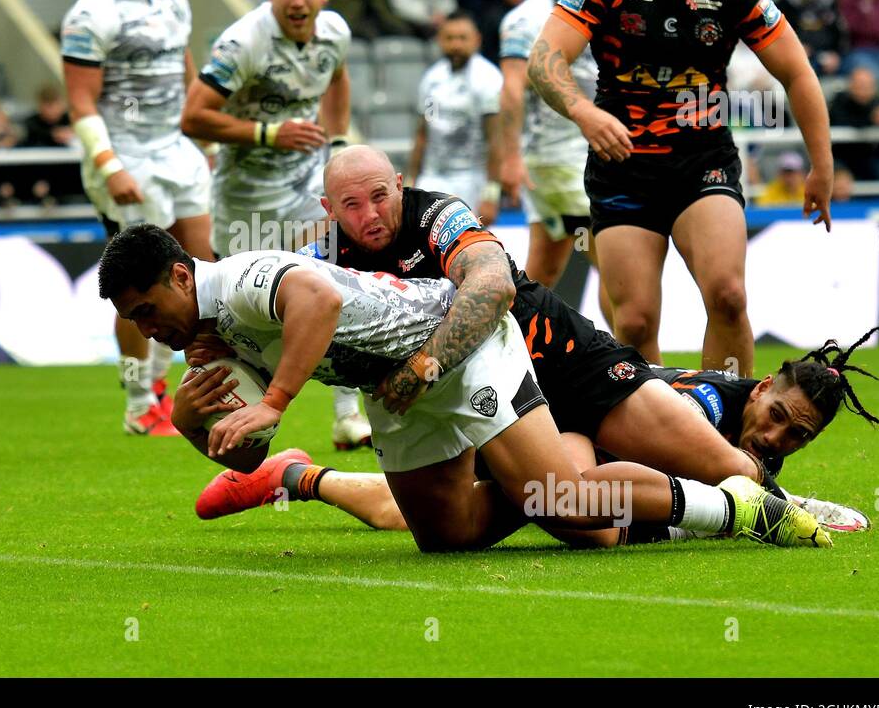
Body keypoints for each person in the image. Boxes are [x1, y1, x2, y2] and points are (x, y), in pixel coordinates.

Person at [98, 219, 828, 552]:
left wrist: (275, 400)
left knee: (574, 507)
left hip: (458, 350)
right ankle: (566, 473)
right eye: (134, 320)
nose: (147, 327)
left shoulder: (242, 279)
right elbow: (243, 457)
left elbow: (315, 300)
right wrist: (201, 428)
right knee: (448, 537)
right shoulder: (208, 343)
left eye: (147, 310)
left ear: (183, 276)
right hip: (398, 394)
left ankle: (735, 510)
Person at [527, 0, 833, 376]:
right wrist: (585, 113)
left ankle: (732, 439)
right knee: (637, 324)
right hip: (624, 167)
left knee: (729, 293)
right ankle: (660, 442)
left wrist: (822, 167)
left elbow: (798, 72)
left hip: (702, 160)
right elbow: (543, 60)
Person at [181, 0, 368, 452]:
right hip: (244, 197)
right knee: (228, 320)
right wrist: (269, 134)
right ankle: (234, 421)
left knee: (333, 281)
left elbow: (337, 76)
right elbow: (193, 116)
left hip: (306, 186)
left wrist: (337, 144)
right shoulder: (243, 43)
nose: (298, 1)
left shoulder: (335, 33)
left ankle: (348, 416)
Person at [62, 0, 213, 437]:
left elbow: (185, 68)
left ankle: (199, 386)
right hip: (126, 156)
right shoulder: (90, 13)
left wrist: (201, 133)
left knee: (198, 273)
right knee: (140, 287)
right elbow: (80, 102)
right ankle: (137, 400)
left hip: (175, 149)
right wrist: (109, 166)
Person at [498, 0, 604, 296]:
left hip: (588, 152)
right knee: (615, 262)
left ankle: (511, 346)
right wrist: (510, 157)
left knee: (543, 269)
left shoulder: (597, 8)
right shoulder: (525, 19)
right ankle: (632, 353)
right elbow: (511, 88)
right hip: (558, 160)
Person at [408, 12, 502, 221]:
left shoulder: (488, 79)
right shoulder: (432, 79)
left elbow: (496, 140)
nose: (456, 45)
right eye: (449, 38)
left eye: (462, 38)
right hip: (433, 176)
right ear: (440, 40)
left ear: (476, 40)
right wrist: (411, 179)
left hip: (471, 178)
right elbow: (425, 132)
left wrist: (491, 194)